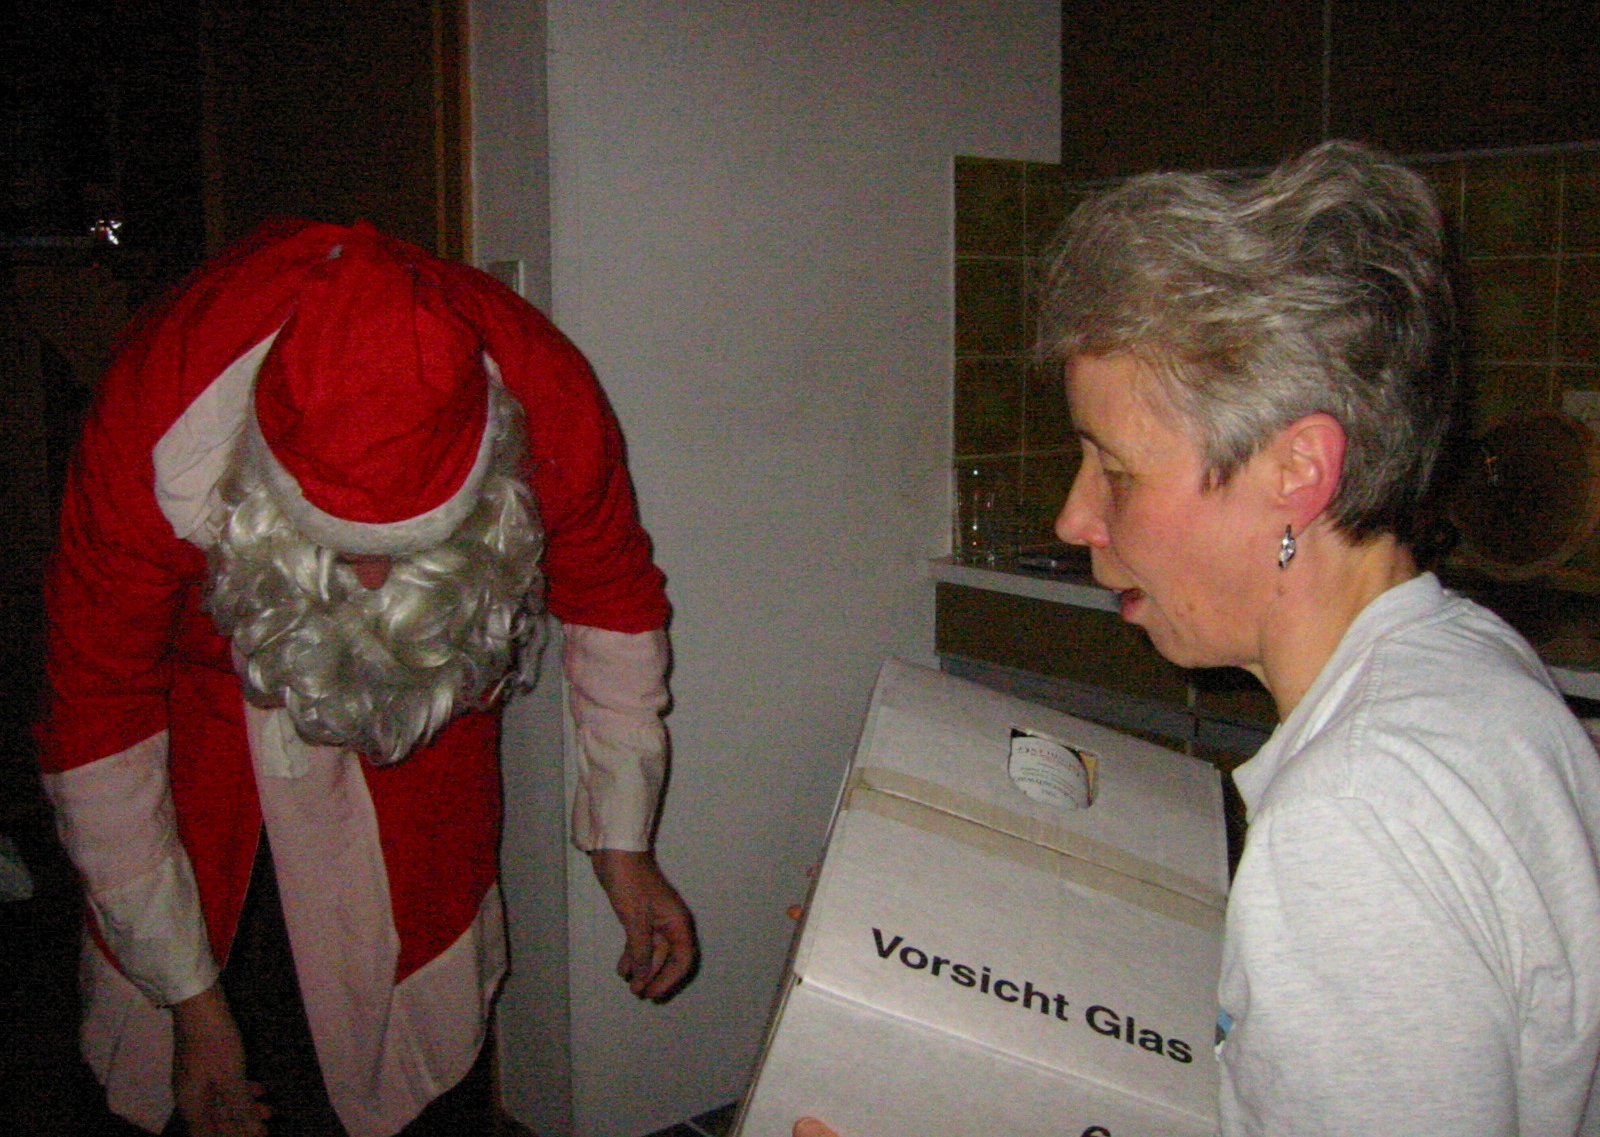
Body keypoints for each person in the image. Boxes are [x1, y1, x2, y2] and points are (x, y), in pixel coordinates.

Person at [797, 142, 1600, 1135]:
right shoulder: (1466, 658)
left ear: (1296, 470)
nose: (1073, 518)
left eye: (1115, 470)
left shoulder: (1353, 818)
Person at [35, 219, 697, 1137]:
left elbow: (614, 601)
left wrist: (625, 844)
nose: (378, 582)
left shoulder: (548, 396)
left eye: (413, 547)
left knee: (418, 1012)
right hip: (204, 716)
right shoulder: (155, 409)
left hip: (427, 717)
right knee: (206, 1039)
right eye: (346, 552)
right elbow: (96, 713)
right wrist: (187, 1000)